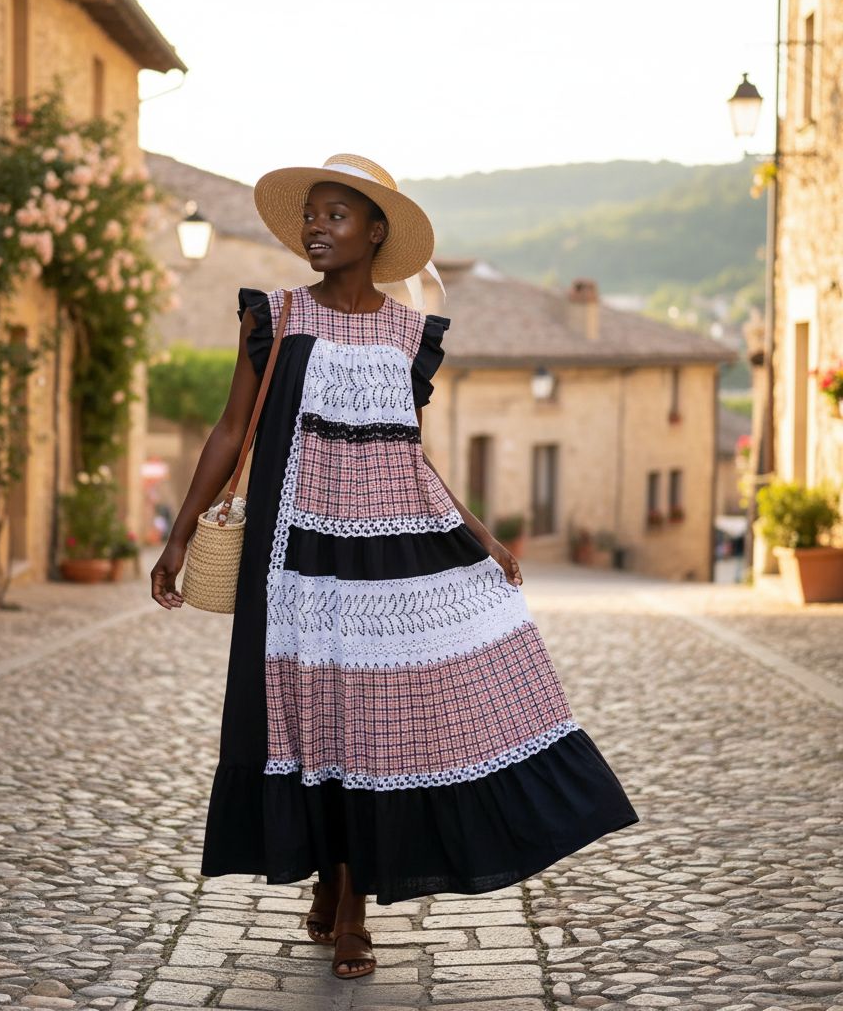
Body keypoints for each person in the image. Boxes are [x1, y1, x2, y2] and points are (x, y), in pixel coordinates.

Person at [150, 154, 638, 980]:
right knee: (313, 725)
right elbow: (232, 430)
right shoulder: (272, 316)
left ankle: (352, 909)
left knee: (370, 727)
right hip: (294, 558)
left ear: (377, 231)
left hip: (389, 557)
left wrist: (481, 536)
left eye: (335, 215)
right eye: (311, 215)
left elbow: (409, 454)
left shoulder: (411, 336)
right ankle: (331, 882)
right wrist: (179, 533)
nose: (316, 228)